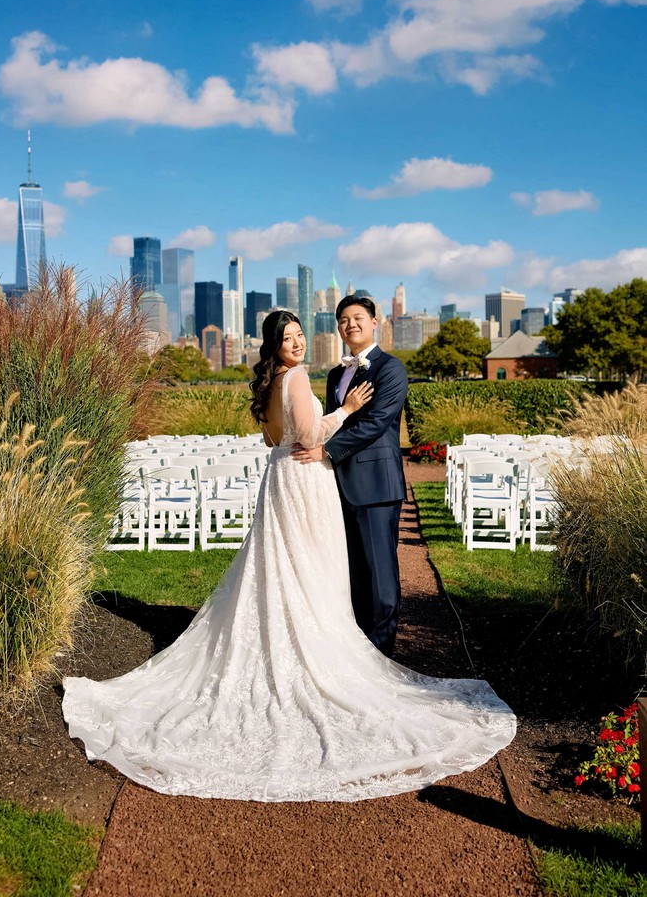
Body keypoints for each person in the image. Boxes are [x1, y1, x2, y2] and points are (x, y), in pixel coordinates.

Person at [62, 310, 515, 802]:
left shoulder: (271, 383)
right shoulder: (298, 377)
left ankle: (317, 638)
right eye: (289, 337)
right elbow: (309, 436)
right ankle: (324, 653)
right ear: (275, 344)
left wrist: (336, 420)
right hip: (305, 480)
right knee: (309, 568)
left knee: (285, 567)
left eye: (301, 336)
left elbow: (273, 438)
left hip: (282, 479)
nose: (298, 343)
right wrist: (344, 411)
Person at [292, 296, 406, 656]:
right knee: (352, 573)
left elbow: (376, 423)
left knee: (380, 578)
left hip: (375, 485)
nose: (350, 324)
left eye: (358, 317)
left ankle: (383, 658)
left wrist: (326, 451)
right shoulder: (335, 375)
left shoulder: (390, 369)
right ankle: (359, 656)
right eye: (343, 320)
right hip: (338, 485)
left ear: (376, 322)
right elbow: (334, 419)